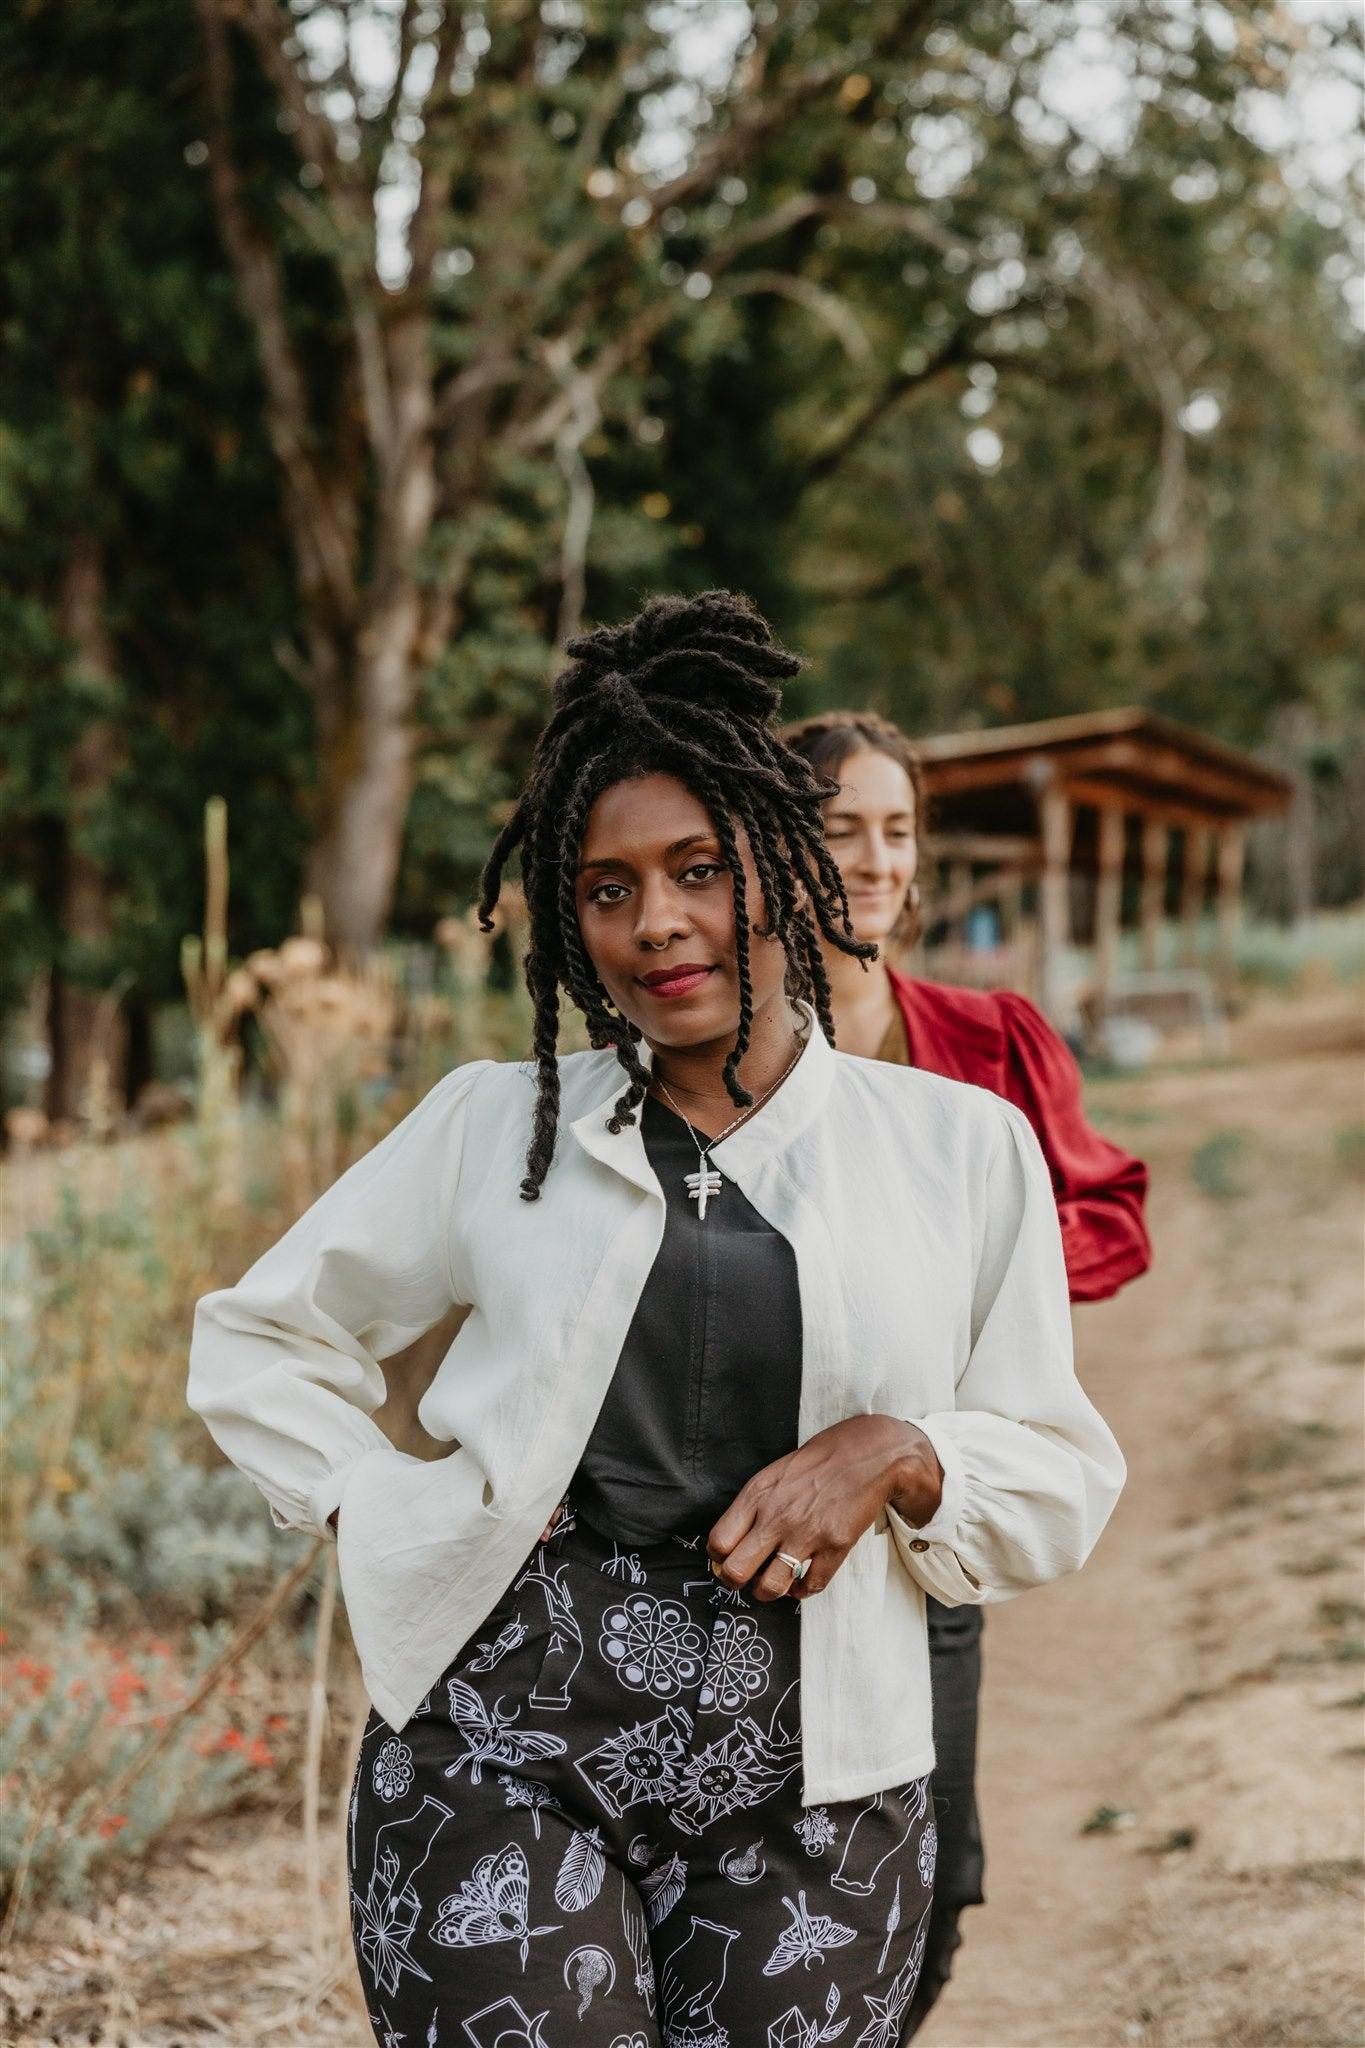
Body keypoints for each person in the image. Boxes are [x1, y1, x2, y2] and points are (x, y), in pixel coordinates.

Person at [188, 593, 1126, 2048]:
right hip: (502, 1744)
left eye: (696, 869)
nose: (656, 924)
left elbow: (1060, 1475)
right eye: (607, 887)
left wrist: (899, 1454)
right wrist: (377, 1506)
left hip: (819, 1770)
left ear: (782, 867)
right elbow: (260, 1338)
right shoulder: (498, 1127)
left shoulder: (953, 1147)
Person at [781, 708, 1152, 2036]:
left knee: (930, 1885)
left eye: (895, 831)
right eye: (840, 832)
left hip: (927, 1510)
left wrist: (972, 1280)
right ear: (775, 849)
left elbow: (1108, 1213)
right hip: (761, 1516)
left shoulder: (986, 1039)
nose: (873, 861)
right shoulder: (726, 1052)